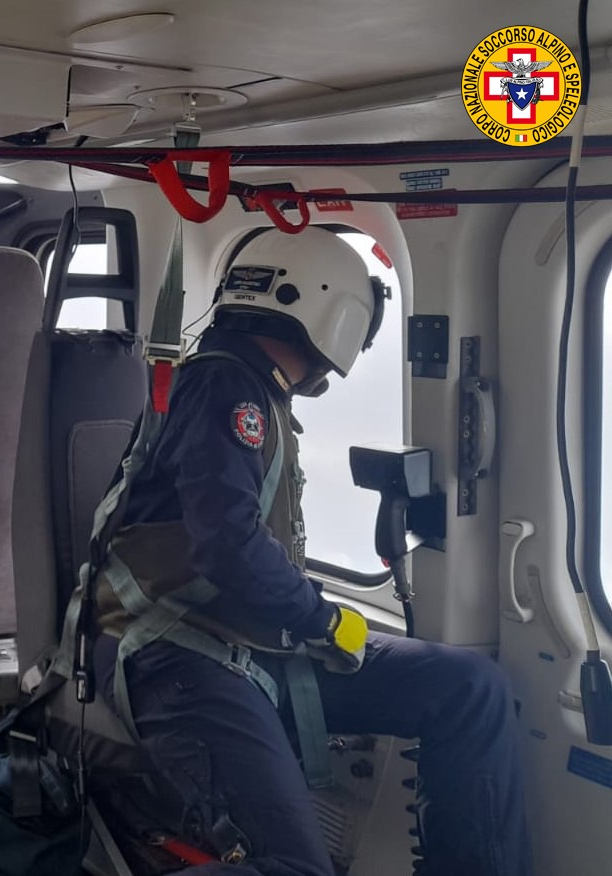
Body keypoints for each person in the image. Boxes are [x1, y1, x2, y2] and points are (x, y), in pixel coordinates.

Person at [87, 228, 531, 875]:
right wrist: (323, 619)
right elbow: (229, 549)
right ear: (333, 311)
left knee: (470, 689)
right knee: (295, 867)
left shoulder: (247, 388)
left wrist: (310, 622)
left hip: (252, 641)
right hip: (174, 654)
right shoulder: (226, 390)